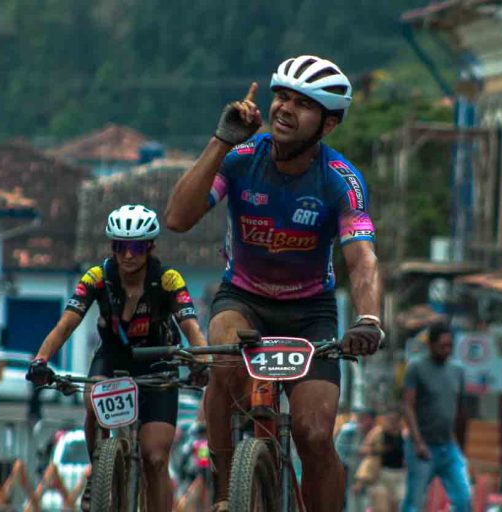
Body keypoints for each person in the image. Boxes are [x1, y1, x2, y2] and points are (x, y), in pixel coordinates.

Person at [165, 55, 384, 511]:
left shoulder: (340, 180)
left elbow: (361, 259)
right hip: (243, 298)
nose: (285, 108)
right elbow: (177, 219)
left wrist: (368, 319)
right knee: (223, 361)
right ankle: (226, 492)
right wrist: (220, 142)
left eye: (303, 104)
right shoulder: (242, 159)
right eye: (281, 96)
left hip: (311, 313)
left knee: (315, 434)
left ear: (326, 126)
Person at [25, 204, 206, 512]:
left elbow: (191, 326)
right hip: (112, 359)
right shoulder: (96, 277)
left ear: (149, 246)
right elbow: (66, 323)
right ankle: (100, 470)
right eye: (121, 246)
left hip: (158, 363)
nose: (128, 255)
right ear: (113, 246)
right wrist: (41, 360)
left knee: (155, 457)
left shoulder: (168, 279)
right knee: (92, 396)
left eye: (136, 246)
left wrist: (201, 359)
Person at [401, 323, 471, 512]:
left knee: (464, 499)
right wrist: (418, 442)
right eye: (442, 346)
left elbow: (460, 411)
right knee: (414, 503)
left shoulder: (457, 370)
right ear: (430, 345)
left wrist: (460, 447)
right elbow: (408, 406)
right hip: (423, 447)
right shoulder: (416, 367)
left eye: (450, 346)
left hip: (448, 446)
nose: (447, 350)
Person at [353, 409, 406, 512]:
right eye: (390, 419)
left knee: (397, 507)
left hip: (399, 475)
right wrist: (378, 449)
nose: (392, 422)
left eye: (395, 420)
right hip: (380, 475)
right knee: (381, 508)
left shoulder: (403, 435)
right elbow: (363, 451)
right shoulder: (377, 433)